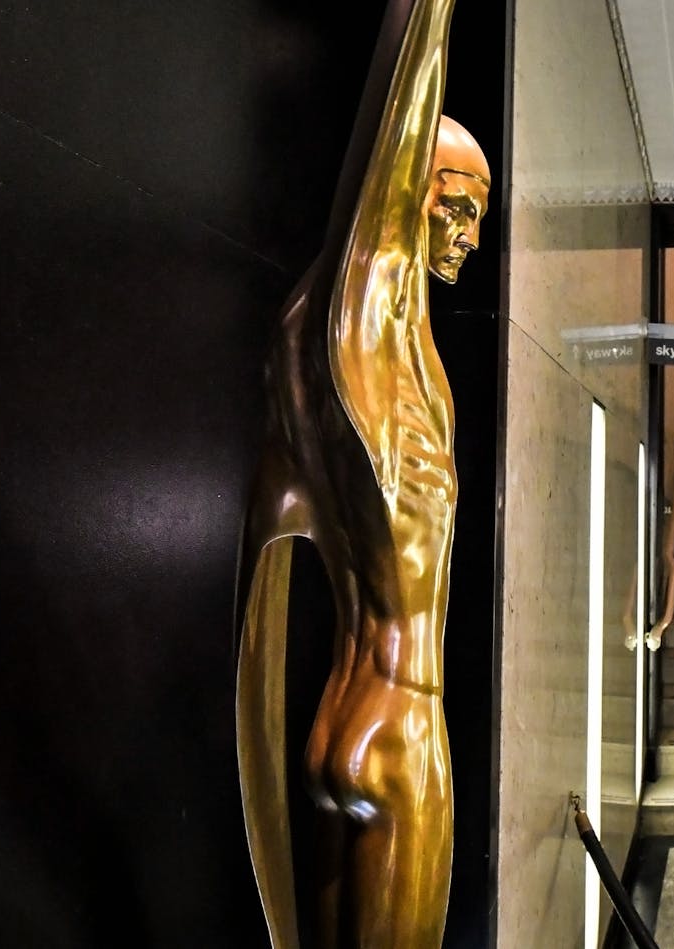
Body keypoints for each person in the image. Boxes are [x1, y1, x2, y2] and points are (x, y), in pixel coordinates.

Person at [233, 0, 489, 945]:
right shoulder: (359, 346)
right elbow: (397, 117)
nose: (469, 234)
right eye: (454, 205)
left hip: (339, 720)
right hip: (405, 725)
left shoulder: (361, 365)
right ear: (406, 189)